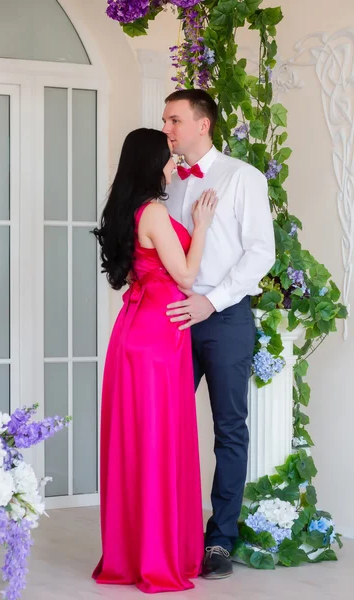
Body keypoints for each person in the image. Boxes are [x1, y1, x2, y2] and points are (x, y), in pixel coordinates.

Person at [92, 128, 218, 593]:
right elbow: (185, 277)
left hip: (133, 331)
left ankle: (132, 552)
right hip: (158, 335)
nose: (172, 162)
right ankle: (157, 556)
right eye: (166, 155)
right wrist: (201, 226)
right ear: (151, 162)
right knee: (158, 441)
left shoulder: (125, 208)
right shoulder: (156, 210)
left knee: (137, 441)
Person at [162, 89, 275, 580]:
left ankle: (220, 540)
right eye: (166, 120)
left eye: (175, 120)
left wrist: (213, 299)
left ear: (203, 124)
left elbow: (260, 253)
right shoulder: (166, 182)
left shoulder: (241, 178)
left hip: (225, 316)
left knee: (230, 430)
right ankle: (168, 531)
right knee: (165, 424)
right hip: (174, 315)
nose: (167, 129)